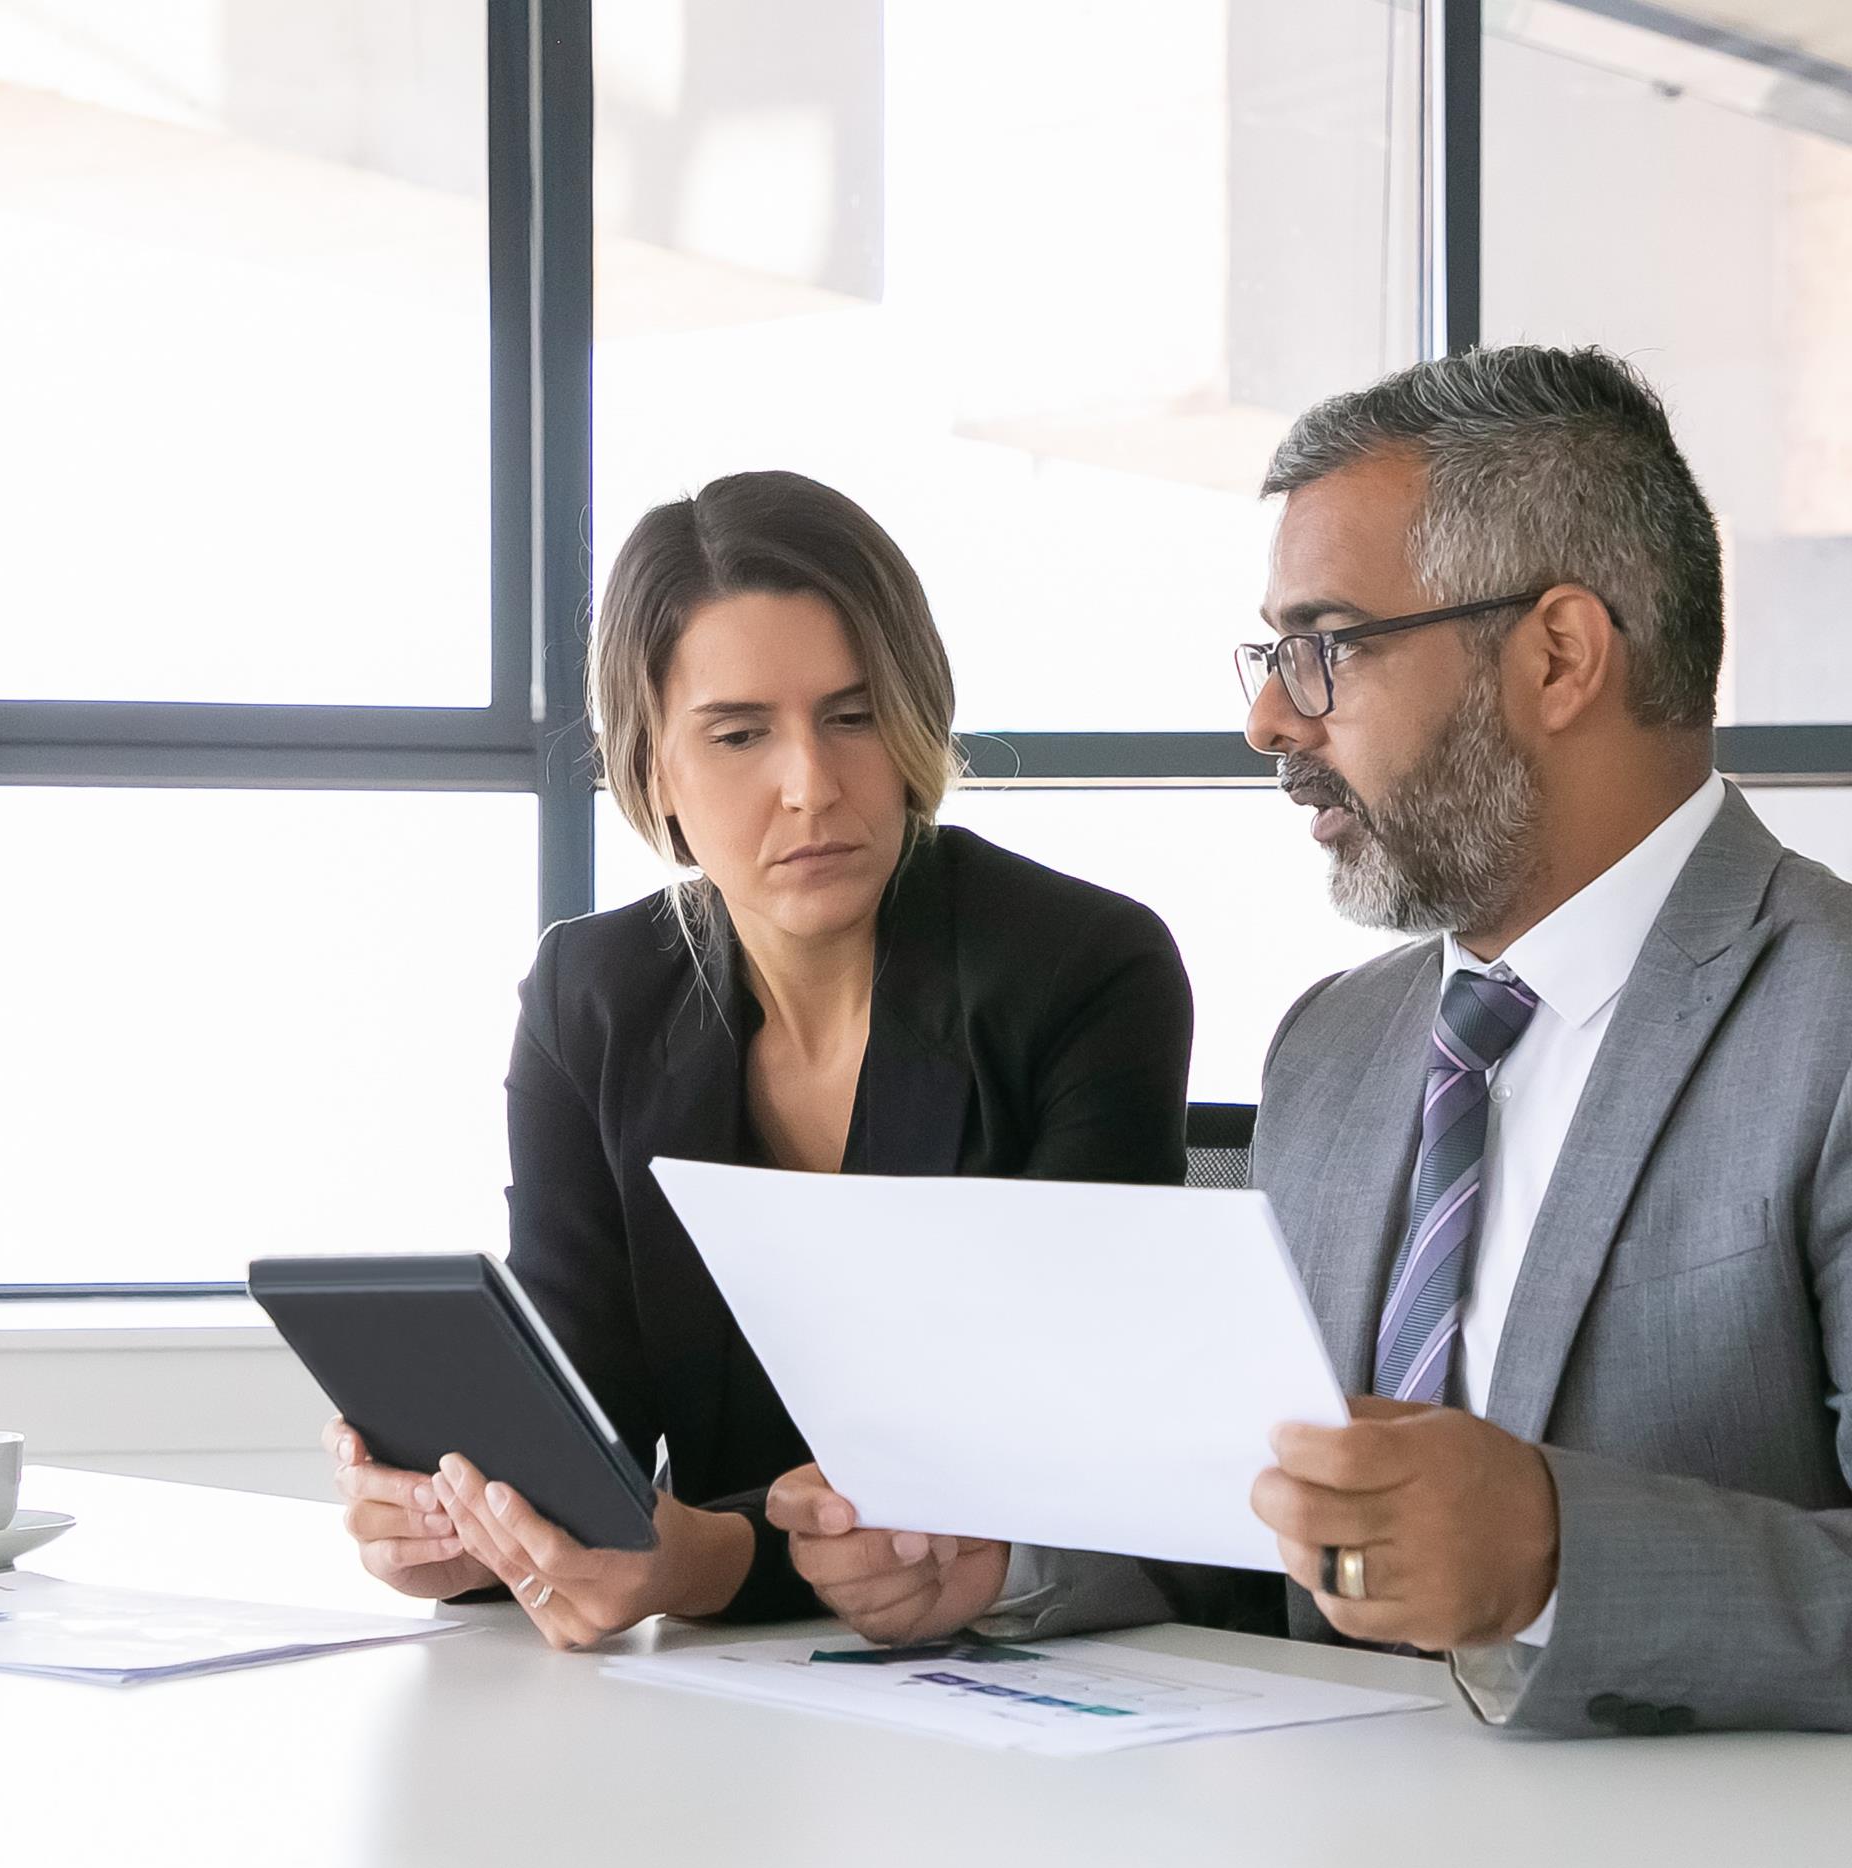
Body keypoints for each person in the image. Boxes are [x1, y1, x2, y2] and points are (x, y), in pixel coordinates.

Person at [772, 345, 1852, 1736]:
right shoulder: (1334, 1050)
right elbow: (1258, 1545)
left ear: (1559, 656)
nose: (1267, 717)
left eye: (1326, 646)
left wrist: (1553, 1555)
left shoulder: (1825, 1016)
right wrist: (1003, 1560)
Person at [326, 469, 1194, 1645]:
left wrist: (708, 1556)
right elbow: (585, 1450)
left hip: (1024, 1674)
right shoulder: (592, 1000)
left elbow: (1034, 1468)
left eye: (850, 715)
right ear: (652, 771)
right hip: (720, 1706)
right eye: (737, 734)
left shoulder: (1085, 968)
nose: (812, 783)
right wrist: (462, 1530)